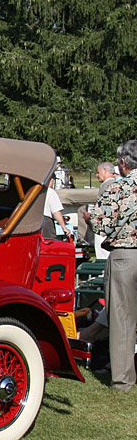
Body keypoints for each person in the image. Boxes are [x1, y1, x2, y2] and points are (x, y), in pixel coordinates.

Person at [90, 139, 137, 392]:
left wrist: (90, 218)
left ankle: (123, 381)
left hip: (125, 257)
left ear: (122, 163)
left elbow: (102, 225)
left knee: (121, 320)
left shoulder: (118, 188)